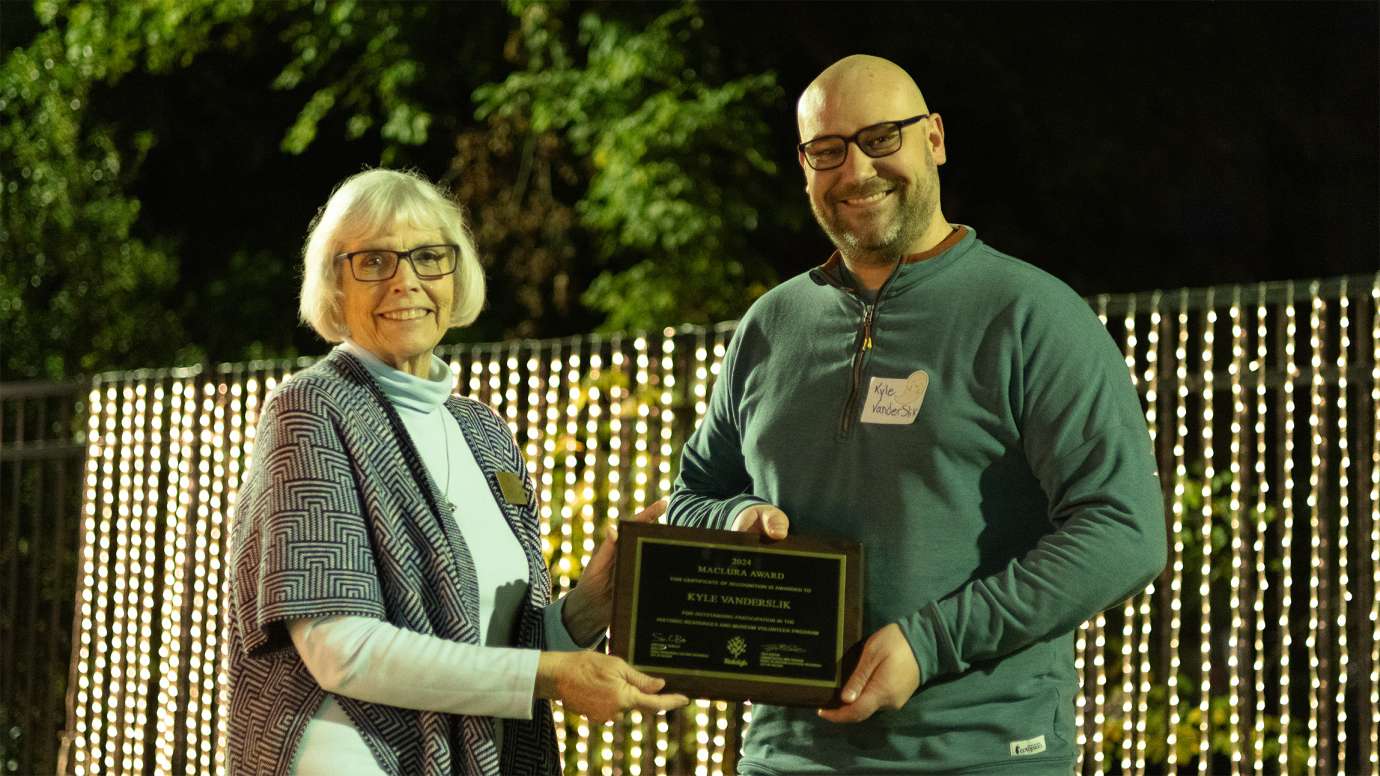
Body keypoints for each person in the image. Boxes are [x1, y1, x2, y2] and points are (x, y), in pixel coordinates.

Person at [668, 54, 1167, 775]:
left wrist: (931, 640)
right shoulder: (771, 325)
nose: (855, 170)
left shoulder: (1031, 315)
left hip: (983, 753)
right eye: (827, 150)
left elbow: (1124, 532)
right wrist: (735, 519)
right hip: (787, 755)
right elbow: (691, 498)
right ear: (804, 167)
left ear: (933, 138)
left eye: (880, 139)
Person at [226, 168, 688, 776]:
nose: (405, 282)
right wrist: (550, 677)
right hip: (350, 755)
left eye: (428, 257)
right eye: (374, 262)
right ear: (335, 285)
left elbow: (503, 651)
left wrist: (589, 608)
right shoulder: (311, 409)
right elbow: (344, 652)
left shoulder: (484, 431)